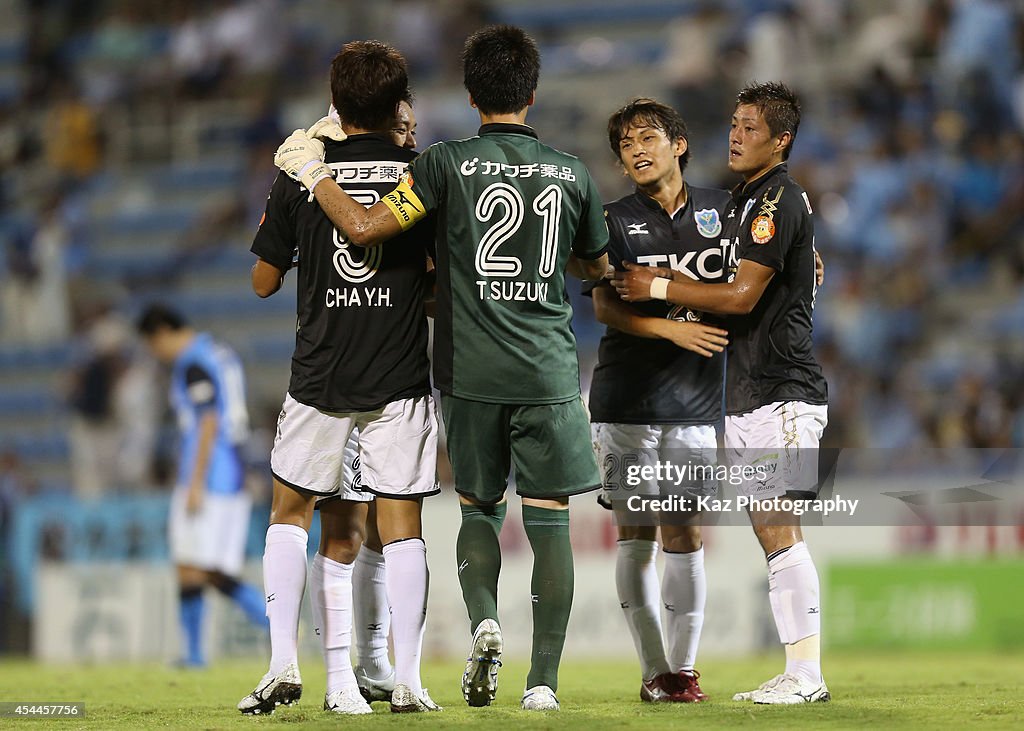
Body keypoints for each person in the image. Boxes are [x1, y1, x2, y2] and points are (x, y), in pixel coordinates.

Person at [273, 24, 610, 712]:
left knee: (477, 510)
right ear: (534, 93)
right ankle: (541, 682)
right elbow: (597, 269)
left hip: (469, 371)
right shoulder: (573, 172)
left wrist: (312, 169)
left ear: (467, 93)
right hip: (548, 370)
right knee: (548, 519)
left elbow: (365, 229)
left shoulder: (443, 164)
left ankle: (480, 618)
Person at [611, 81, 831, 705]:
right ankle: (798, 670)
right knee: (770, 528)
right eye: (734, 123)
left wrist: (656, 289)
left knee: (777, 525)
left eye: (752, 127)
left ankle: (807, 674)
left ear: (781, 140)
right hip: (750, 392)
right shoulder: (749, 201)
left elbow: (738, 297)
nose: (736, 135)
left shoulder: (775, 199)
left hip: (782, 388)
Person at [239, 41, 441, 716]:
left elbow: (263, 281)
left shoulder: (302, 169)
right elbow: (439, 284)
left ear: (336, 100)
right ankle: (408, 679)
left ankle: (282, 664)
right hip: (400, 377)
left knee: (290, 513)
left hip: (320, 376)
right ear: (398, 105)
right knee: (401, 523)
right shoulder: (425, 174)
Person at [588, 98, 730, 704]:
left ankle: (685, 668)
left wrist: (808, 259)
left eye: (648, 137)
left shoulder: (725, 211)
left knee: (687, 533)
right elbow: (603, 305)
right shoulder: (612, 219)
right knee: (636, 533)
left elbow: (765, 262)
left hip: (697, 400)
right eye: (625, 144)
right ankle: (654, 670)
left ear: (680, 144)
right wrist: (670, 327)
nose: (637, 150)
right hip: (627, 400)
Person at [136, 304, 267, 668]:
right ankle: (204, 651)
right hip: (231, 472)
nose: (155, 353)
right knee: (203, 568)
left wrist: (194, 482)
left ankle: (262, 630)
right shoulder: (218, 353)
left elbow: (208, 421)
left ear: (161, 331)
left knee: (195, 566)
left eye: (151, 344)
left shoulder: (192, 363)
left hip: (210, 476)